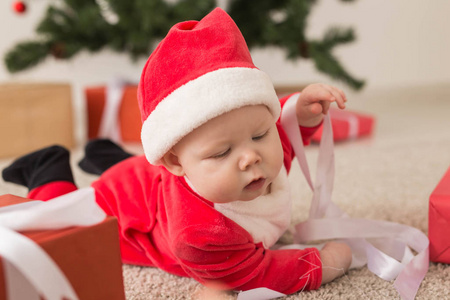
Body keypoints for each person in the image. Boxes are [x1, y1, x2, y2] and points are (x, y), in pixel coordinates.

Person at [2, 8, 351, 295]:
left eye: (260, 134)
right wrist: (319, 265)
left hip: (154, 178)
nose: (251, 157)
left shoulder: (256, 154)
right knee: (61, 220)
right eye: (221, 153)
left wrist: (301, 114)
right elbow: (252, 274)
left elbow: (283, 137)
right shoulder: (199, 233)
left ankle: (108, 155)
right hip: (119, 201)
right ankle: (47, 166)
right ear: (175, 160)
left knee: (156, 167)